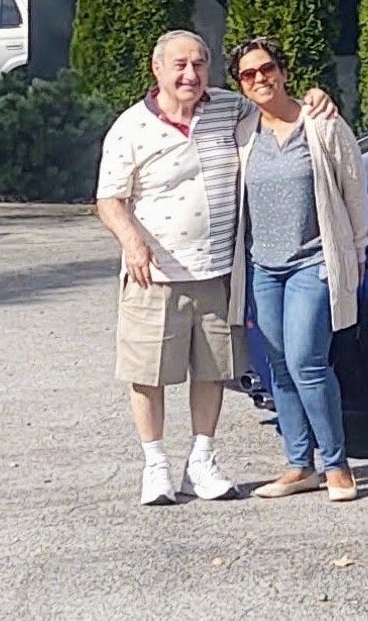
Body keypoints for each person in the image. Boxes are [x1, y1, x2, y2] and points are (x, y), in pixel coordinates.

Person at [95, 29, 338, 506]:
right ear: (157, 69)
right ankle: (156, 465)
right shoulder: (130, 127)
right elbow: (109, 199)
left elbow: (276, 106)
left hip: (217, 271)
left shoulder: (231, 109)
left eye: (200, 64)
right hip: (156, 274)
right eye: (180, 65)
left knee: (212, 371)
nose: (190, 74)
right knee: (148, 374)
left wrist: (315, 96)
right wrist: (133, 243)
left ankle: (201, 461)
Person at [231, 36, 368, 503]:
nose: (260, 79)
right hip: (263, 267)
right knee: (279, 367)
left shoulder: (322, 124)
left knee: (307, 362)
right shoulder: (242, 129)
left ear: (283, 71)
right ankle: (298, 465)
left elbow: (354, 189)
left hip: (314, 261)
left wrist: (358, 250)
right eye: (248, 75)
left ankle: (336, 465)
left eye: (266, 68)